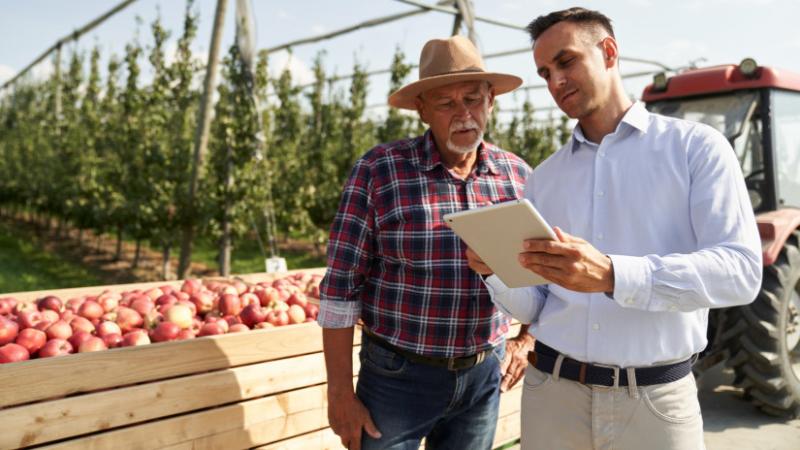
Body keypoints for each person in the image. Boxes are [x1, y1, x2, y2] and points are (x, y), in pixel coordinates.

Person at [466, 7, 762, 450]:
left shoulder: (695, 149)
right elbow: (537, 306)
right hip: (552, 396)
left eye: (566, 62)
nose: (555, 82)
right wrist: (494, 271)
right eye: (545, 73)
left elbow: (740, 272)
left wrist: (613, 274)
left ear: (608, 52)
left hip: (655, 404)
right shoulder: (545, 178)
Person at [317, 35, 534, 450]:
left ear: (491, 100)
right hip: (397, 376)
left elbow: (543, 272)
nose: (463, 114)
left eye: (473, 98)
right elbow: (340, 289)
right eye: (446, 103)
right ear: (421, 110)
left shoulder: (518, 177)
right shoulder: (380, 172)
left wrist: (526, 339)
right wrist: (340, 392)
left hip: (481, 376)